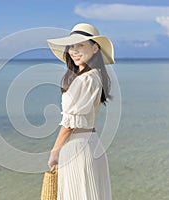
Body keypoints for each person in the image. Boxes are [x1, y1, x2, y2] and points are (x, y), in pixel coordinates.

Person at [47, 23, 114, 200]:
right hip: (90, 143)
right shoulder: (94, 76)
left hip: (78, 147)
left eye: (80, 45)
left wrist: (54, 152)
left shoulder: (85, 79)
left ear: (94, 48)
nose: (74, 50)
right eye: (72, 46)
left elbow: (69, 124)